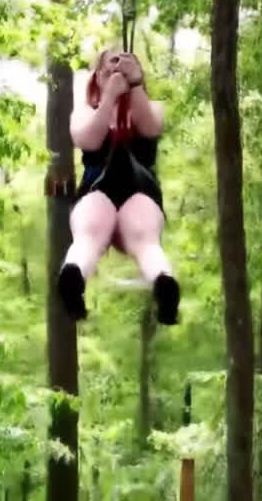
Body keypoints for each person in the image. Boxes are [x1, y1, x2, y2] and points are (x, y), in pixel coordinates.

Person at [56, 48, 180, 325]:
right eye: (110, 67)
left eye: (125, 65)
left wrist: (134, 86)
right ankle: (74, 277)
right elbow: (87, 140)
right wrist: (110, 97)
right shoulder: (85, 113)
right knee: (96, 238)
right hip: (99, 188)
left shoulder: (150, 107)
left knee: (142, 241)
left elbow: (149, 128)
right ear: (97, 77)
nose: (118, 70)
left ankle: (164, 286)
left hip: (138, 187)